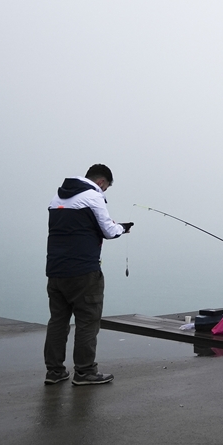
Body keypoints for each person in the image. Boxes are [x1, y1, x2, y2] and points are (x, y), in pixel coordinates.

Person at [44, 164, 132, 386]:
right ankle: (84, 372)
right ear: (102, 182)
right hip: (83, 272)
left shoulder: (57, 198)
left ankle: (54, 372)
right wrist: (122, 227)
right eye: (106, 188)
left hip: (55, 270)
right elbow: (109, 231)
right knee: (87, 321)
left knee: (58, 321)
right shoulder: (93, 196)